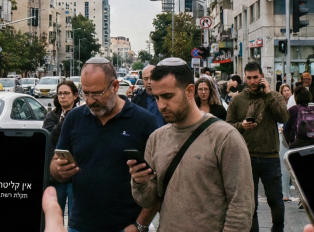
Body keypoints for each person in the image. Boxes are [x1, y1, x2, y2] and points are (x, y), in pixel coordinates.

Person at [129, 58, 253, 231]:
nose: (161, 105)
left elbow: (241, 207)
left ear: (189, 91)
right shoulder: (156, 138)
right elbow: (149, 200)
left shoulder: (225, 137)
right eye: (156, 97)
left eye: (168, 96)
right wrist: (140, 182)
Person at [51, 57, 159, 232]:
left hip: (126, 226)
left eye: (97, 93)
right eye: (86, 93)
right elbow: (56, 166)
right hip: (80, 225)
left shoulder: (144, 121)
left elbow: (159, 182)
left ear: (115, 86)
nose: (90, 100)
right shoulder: (74, 118)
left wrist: (140, 225)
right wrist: (59, 169)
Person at [226, 62, 289, 232]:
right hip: (247, 157)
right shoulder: (238, 99)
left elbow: (283, 117)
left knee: (275, 200)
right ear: (245, 78)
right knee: (250, 204)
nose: (253, 81)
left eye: (256, 77)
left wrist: (268, 94)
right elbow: (228, 125)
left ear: (261, 76)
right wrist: (242, 126)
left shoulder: (274, 95)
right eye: (249, 78)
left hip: (270, 157)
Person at [42, 80, 79, 215]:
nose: (62, 96)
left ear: (75, 95)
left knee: (75, 215)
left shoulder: (82, 114)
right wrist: (63, 120)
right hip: (56, 172)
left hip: (76, 172)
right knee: (55, 213)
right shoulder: (52, 116)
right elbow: (49, 138)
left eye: (66, 93)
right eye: (60, 94)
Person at [277, 84, 293, 202]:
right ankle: (285, 192)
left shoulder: (293, 102)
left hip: (289, 133)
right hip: (281, 133)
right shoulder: (279, 103)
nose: (287, 92)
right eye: (285, 90)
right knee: (284, 162)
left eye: (288, 90)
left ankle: (286, 191)